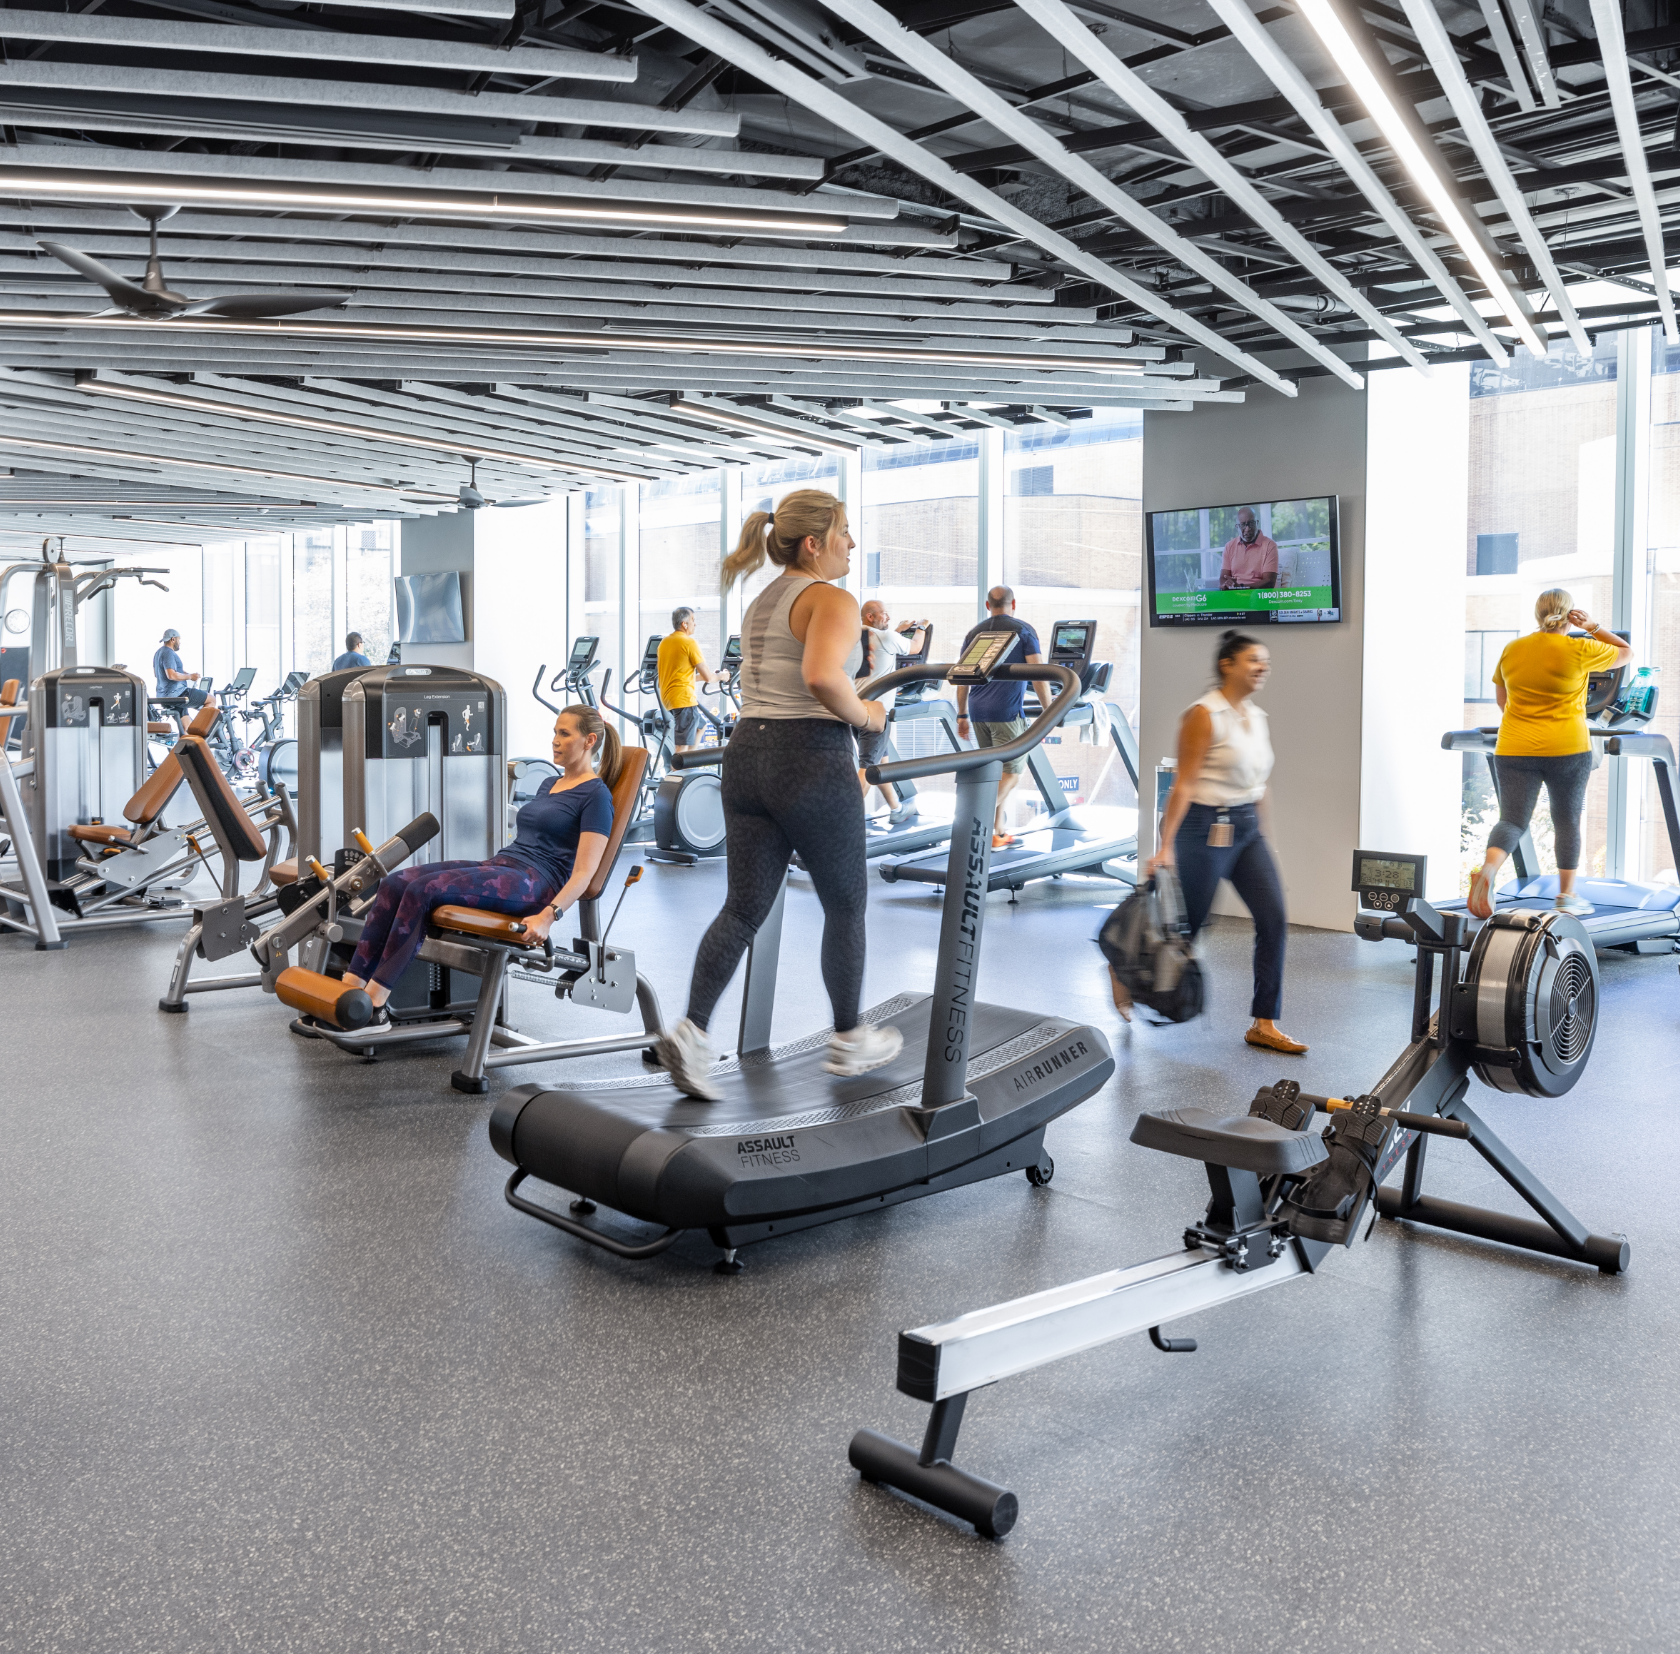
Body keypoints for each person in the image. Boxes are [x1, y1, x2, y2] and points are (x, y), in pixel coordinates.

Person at [656, 489, 902, 1100]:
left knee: (743, 909)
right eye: (845, 532)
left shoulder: (765, 598)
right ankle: (849, 1037)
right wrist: (869, 716)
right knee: (845, 904)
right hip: (809, 758)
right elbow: (822, 677)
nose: (851, 543)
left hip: (748, 755)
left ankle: (690, 1031)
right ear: (814, 542)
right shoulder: (833, 599)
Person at [340, 704, 617, 1015]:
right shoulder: (549, 784)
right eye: (554, 732)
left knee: (422, 891)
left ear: (589, 740)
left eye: (564, 734)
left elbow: (583, 872)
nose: (554, 740)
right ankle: (350, 985)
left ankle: (375, 1002)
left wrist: (548, 916)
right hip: (504, 865)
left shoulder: (597, 797)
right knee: (395, 882)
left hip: (535, 884)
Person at [1146, 629, 1305, 1055]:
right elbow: (1183, 784)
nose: (1262, 668)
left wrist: (1264, 840)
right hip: (1204, 826)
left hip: (1247, 827)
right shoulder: (1203, 714)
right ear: (1227, 664)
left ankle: (1264, 1022)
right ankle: (1127, 973)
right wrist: (1165, 846)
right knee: (1189, 928)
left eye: (1266, 662)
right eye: (1254, 660)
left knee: (1273, 919)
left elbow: (1260, 784)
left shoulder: (1257, 717)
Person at [1468, 588, 1630, 920]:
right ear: (1570, 615)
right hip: (1567, 748)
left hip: (1514, 746)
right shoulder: (1580, 647)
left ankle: (1488, 869)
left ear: (1537, 614)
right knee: (1566, 820)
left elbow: (1503, 700)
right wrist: (1593, 626)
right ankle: (1567, 895)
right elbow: (1625, 652)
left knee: (1512, 820)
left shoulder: (1513, 649)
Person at [955, 586, 1049, 848]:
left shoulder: (975, 632)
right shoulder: (1024, 630)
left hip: (977, 712)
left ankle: (997, 831)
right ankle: (973, 819)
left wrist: (962, 714)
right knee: (1012, 773)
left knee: (996, 772)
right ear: (1013, 603)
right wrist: (1051, 710)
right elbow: (1039, 674)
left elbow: (962, 678)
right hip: (1005, 713)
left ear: (988, 605)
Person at [856, 599, 928, 825]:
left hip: (854, 709)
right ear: (870, 616)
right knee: (867, 768)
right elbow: (915, 647)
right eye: (884, 614)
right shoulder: (886, 637)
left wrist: (898, 630)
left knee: (881, 762)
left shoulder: (857, 635)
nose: (887, 617)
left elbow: (882, 641)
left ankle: (896, 807)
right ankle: (845, 822)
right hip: (875, 714)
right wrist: (922, 627)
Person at [657, 606, 724, 752]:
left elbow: (682, 675)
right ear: (684, 624)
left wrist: (707, 677)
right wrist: (722, 676)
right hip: (684, 700)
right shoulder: (689, 643)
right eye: (693, 620)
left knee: (701, 726)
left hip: (669, 699)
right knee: (681, 746)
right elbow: (709, 678)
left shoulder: (665, 643)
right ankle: (678, 772)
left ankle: (689, 765)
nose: (695, 623)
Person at [1219, 508, 1278, 591]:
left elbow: (1269, 582)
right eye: (1243, 525)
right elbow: (1223, 577)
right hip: (1235, 595)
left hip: (1259, 595)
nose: (1247, 529)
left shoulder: (1270, 545)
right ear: (1237, 527)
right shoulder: (1229, 546)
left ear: (1257, 523)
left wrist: (1241, 587)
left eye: (1251, 523)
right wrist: (1226, 584)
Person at [151, 629, 198, 700]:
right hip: (175, 694)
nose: (180, 642)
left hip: (161, 694)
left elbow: (157, 674)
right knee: (211, 699)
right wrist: (190, 676)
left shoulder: (158, 653)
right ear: (173, 639)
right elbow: (171, 675)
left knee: (184, 711)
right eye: (178, 640)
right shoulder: (168, 652)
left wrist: (185, 674)